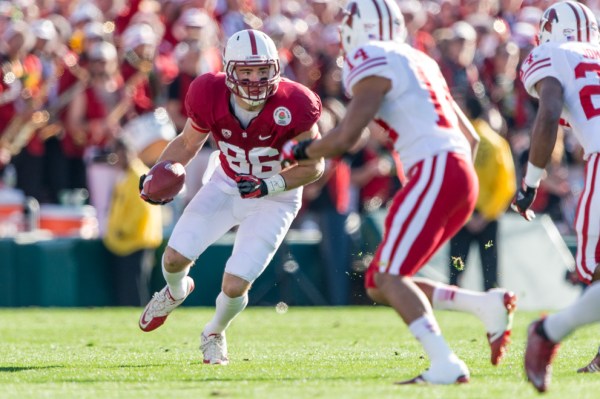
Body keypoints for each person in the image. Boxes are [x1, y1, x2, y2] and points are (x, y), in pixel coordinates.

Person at [281, 0, 516, 385]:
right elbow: (470, 138)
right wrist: (441, 184)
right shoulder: (419, 59)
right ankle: (485, 304)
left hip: (436, 170)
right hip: (456, 171)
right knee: (379, 280)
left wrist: (297, 151)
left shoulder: (372, 55)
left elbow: (345, 137)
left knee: (389, 276)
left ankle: (445, 363)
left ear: (360, 27)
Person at [138, 29, 324, 366]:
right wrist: (159, 171)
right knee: (173, 260)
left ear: (276, 68)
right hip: (226, 183)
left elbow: (313, 167)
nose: (255, 80)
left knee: (236, 283)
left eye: (262, 71)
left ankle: (213, 332)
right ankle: (176, 292)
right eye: (247, 71)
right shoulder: (208, 92)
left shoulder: (296, 103)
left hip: (275, 196)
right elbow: (187, 143)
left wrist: (268, 187)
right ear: (228, 70)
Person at [513, 1, 600, 393]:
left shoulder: (549, 53)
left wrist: (531, 181)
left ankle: (549, 331)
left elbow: (548, 114)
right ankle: (550, 331)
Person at [449, 95, 516, 291]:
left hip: (461, 214)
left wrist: (466, 214)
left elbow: (451, 179)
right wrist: (486, 215)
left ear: (467, 111)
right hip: (488, 217)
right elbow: (507, 186)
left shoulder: (456, 139)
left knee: (455, 271)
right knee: (490, 271)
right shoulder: (496, 143)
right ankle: (496, 307)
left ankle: (451, 306)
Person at [103, 137, 163, 306]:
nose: (120, 158)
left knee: (134, 285)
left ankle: (138, 316)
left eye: (123, 153)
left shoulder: (139, 176)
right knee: (127, 284)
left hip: (136, 240)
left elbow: (142, 209)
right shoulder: (125, 177)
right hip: (126, 241)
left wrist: (124, 229)